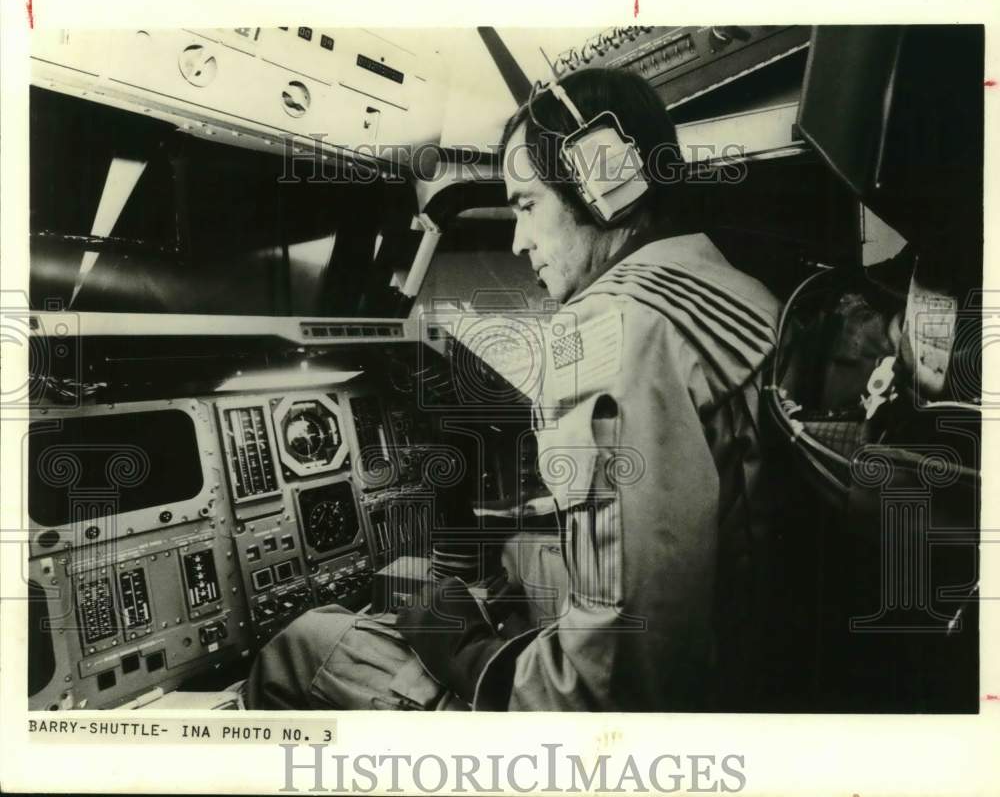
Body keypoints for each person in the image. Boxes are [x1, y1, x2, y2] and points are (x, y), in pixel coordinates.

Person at [246, 67, 780, 712]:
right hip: (745, 684)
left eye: (527, 204)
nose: (519, 239)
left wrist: (471, 651)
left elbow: (611, 681)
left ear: (604, 183)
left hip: (617, 746)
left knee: (304, 645)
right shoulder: (739, 293)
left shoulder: (603, 331)